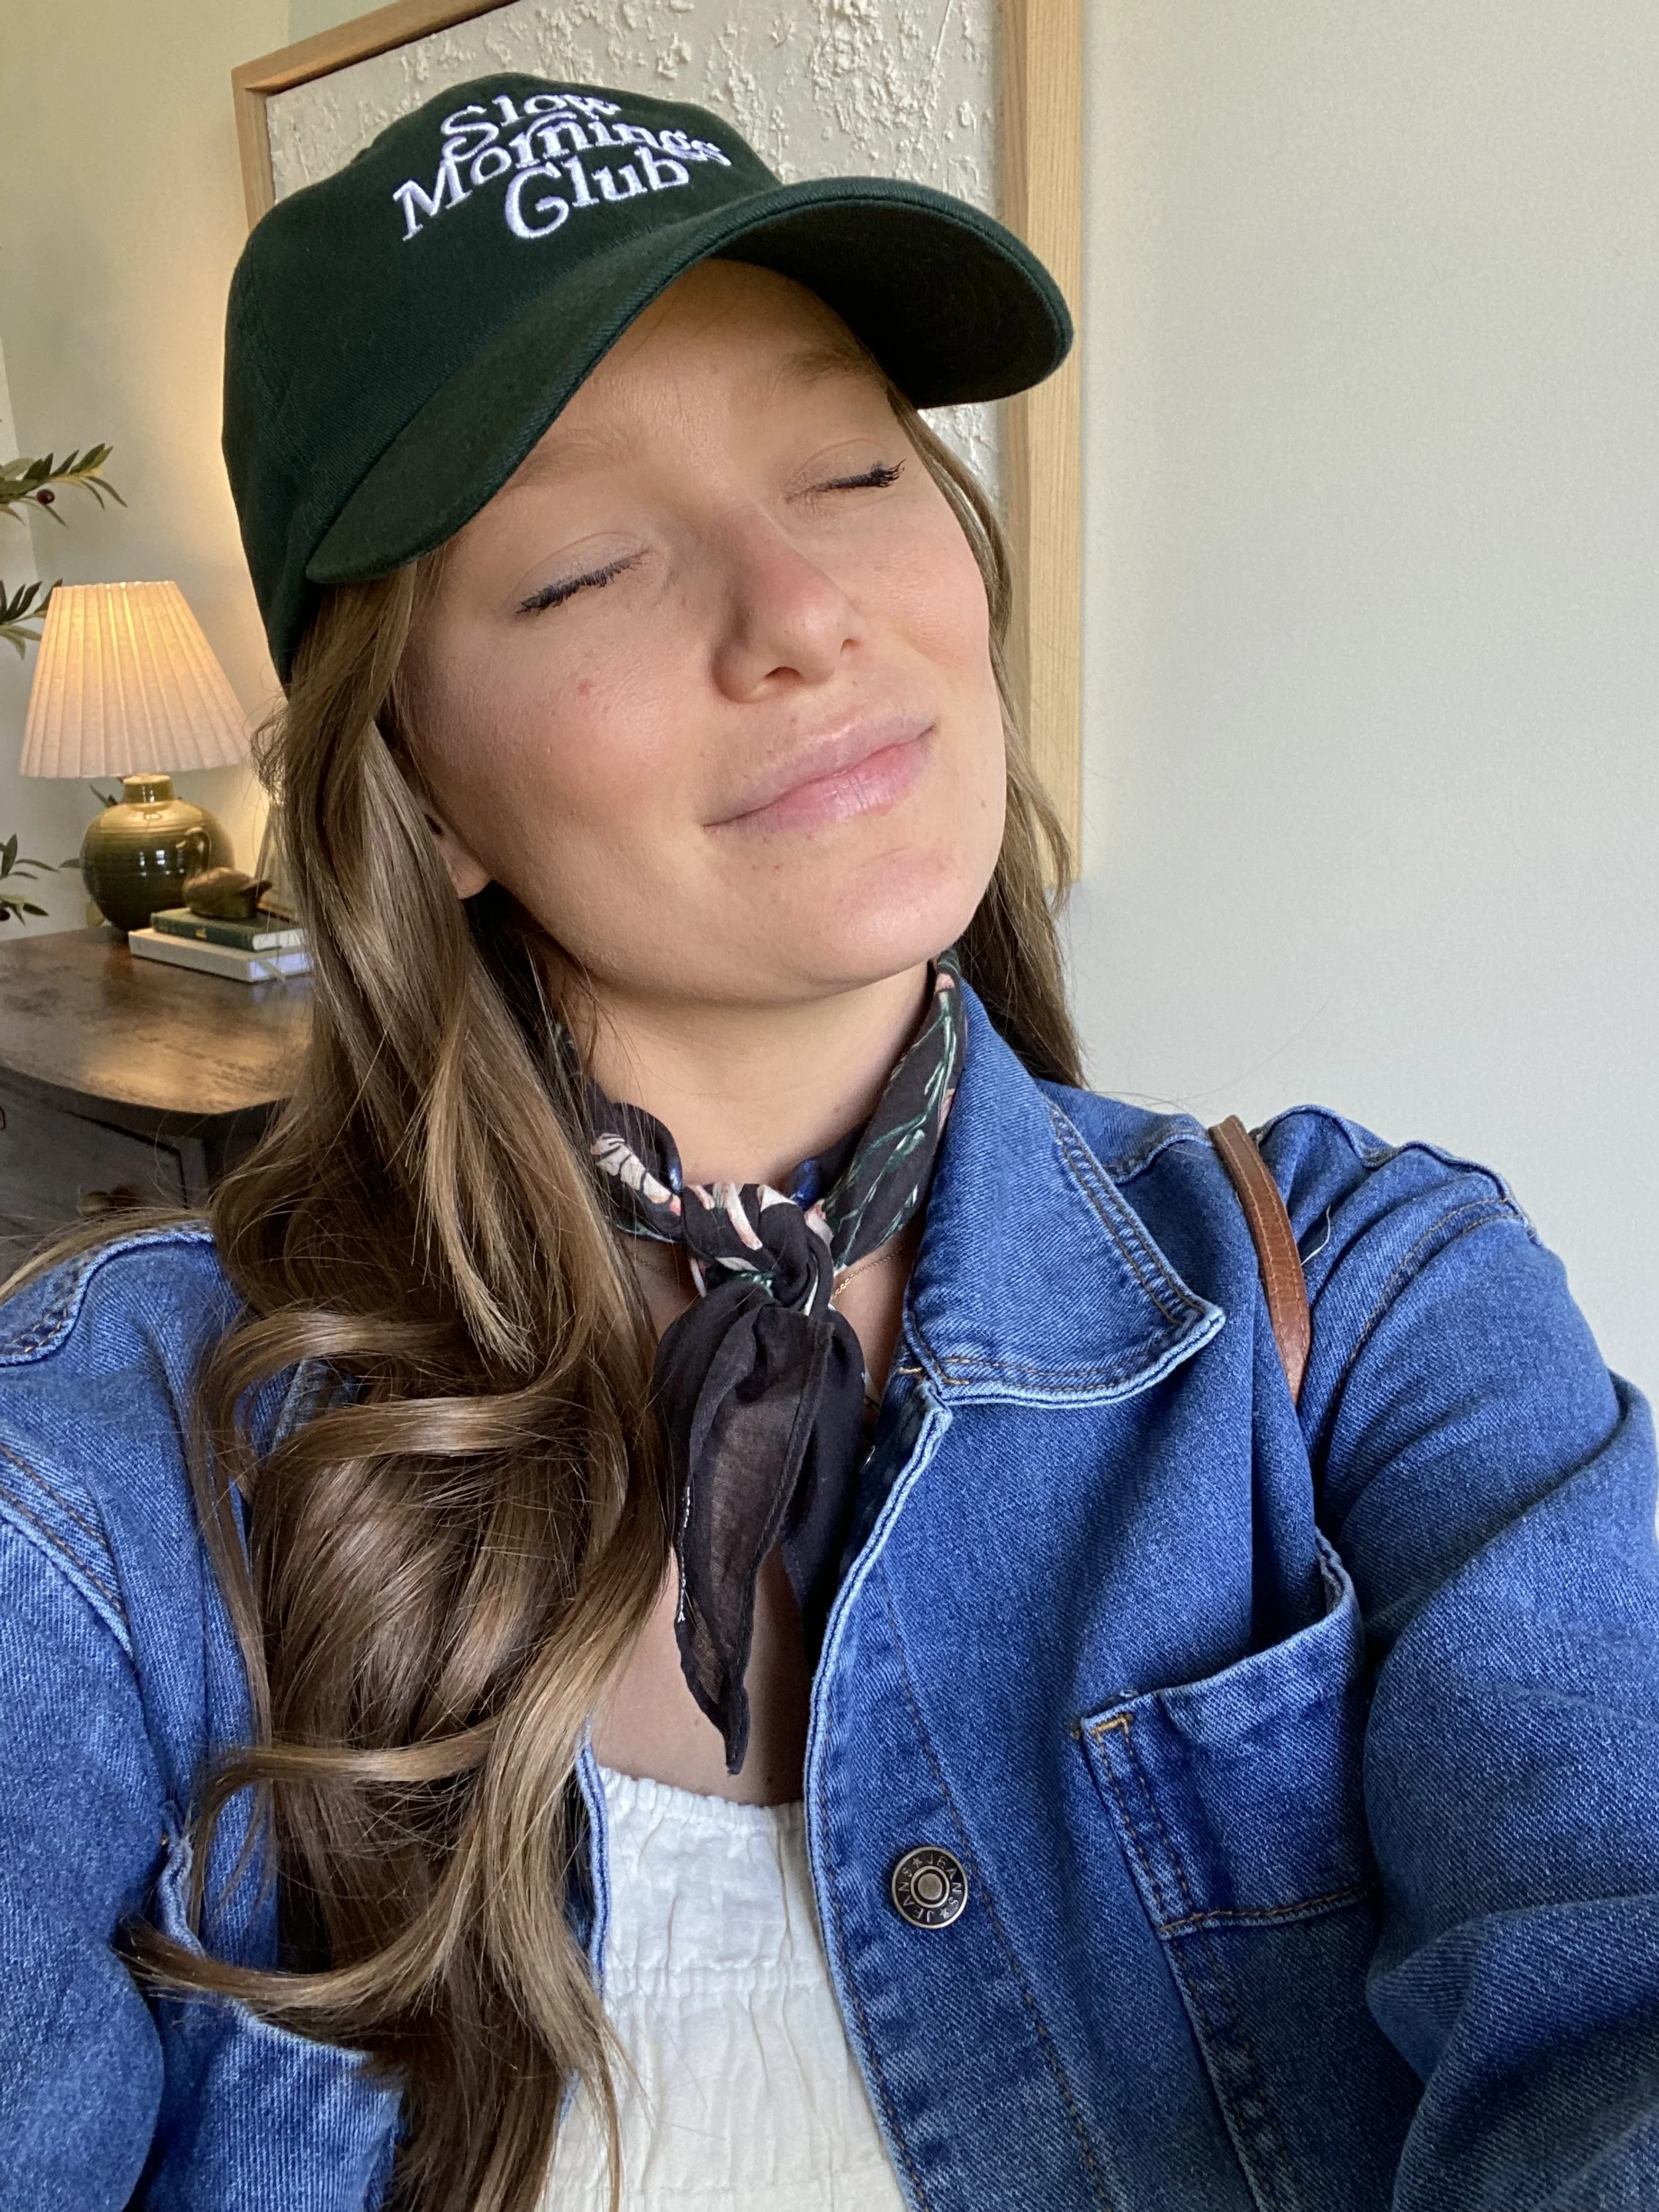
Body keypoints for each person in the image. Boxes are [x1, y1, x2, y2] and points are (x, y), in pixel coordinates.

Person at [1, 68, 1656, 2212]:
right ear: (409, 782)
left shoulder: (1369, 1307)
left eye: (853, 466)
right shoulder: (114, 1476)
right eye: (587, 565)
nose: (799, 611)